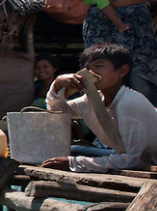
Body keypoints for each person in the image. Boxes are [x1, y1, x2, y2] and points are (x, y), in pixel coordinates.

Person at [41, 43, 157, 173]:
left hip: (146, 161)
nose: (91, 73)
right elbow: (58, 112)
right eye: (87, 68)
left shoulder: (129, 102)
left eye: (99, 66)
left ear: (122, 71)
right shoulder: (93, 100)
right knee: (72, 150)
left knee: (73, 155)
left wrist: (73, 163)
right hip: (132, 157)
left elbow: (128, 160)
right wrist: (57, 85)